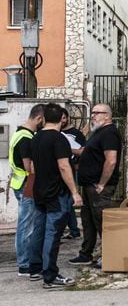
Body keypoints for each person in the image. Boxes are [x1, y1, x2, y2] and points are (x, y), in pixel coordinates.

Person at [29, 103, 82, 289]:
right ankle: (50, 276)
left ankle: (35, 268)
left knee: (39, 230)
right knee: (52, 234)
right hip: (56, 193)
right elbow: (64, 166)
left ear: (43, 118)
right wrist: (75, 192)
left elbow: (33, 167)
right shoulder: (59, 139)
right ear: (62, 119)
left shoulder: (36, 138)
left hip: (40, 191)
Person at [69, 104, 121, 268]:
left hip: (98, 187)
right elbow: (86, 152)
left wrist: (101, 184)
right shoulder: (97, 133)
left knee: (102, 222)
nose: (92, 116)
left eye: (96, 113)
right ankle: (86, 254)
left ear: (107, 116)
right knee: (88, 221)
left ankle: (109, 256)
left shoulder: (110, 133)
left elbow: (111, 160)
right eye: (92, 113)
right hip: (88, 186)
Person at [8, 104, 44, 277]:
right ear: (39, 119)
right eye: (44, 121)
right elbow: (29, 167)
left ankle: (26, 261)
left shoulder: (19, 132)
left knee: (26, 224)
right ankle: (24, 263)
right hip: (26, 185)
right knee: (26, 226)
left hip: (20, 183)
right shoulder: (27, 139)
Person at [60, 108, 86, 240]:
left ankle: (73, 229)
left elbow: (83, 152)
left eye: (64, 118)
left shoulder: (77, 134)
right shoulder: (56, 132)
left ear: (67, 117)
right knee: (66, 201)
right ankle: (72, 229)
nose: (62, 121)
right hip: (60, 170)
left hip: (72, 168)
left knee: (69, 200)